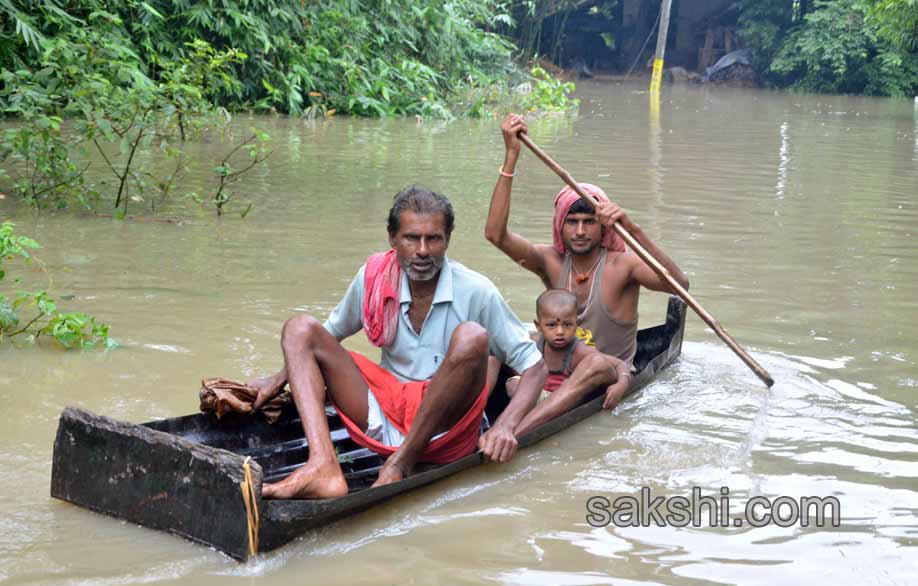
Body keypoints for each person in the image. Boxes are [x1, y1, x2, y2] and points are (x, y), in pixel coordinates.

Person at [250, 186, 547, 499]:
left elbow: (535, 368)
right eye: (411, 238)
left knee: (472, 336)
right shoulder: (373, 278)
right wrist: (278, 379)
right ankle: (323, 466)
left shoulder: (476, 289)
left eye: (433, 239)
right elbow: (327, 334)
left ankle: (400, 464)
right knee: (299, 329)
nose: (422, 250)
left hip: (446, 428)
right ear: (393, 238)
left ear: (448, 239)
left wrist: (505, 426)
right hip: (387, 408)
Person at [484, 114, 688, 427]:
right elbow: (496, 235)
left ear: (603, 226)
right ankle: (469, 420)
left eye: (589, 221)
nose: (580, 231)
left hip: (604, 373)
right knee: (491, 339)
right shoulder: (550, 260)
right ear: (559, 225)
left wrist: (632, 228)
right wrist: (510, 157)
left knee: (591, 363)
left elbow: (679, 286)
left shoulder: (623, 265)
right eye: (572, 222)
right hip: (555, 369)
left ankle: (515, 429)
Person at [502, 289, 632, 436]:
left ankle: (521, 429)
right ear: (538, 326)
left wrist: (621, 384)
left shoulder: (579, 351)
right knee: (512, 382)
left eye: (567, 325)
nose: (560, 331)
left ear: (576, 324)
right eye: (551, 325)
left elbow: (620, 364)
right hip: (537, 397)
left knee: (596, 363)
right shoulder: (533, 342)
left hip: (564, 401)